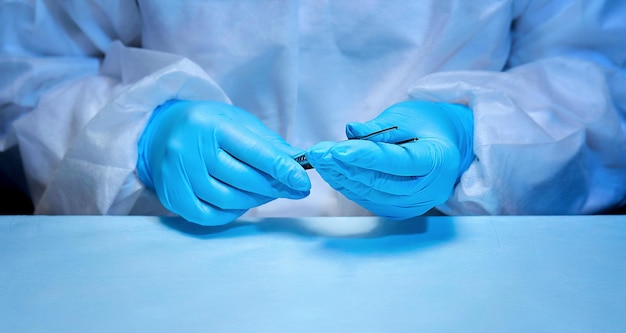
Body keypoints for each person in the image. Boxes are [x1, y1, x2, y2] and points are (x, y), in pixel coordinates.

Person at [1, 0, 625, 226]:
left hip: (466, 253)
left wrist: (476, 136)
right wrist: (136, 136)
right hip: (166, 249)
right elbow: (30, 69)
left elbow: (598, 75)